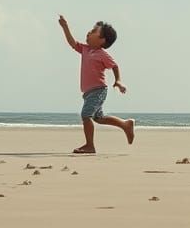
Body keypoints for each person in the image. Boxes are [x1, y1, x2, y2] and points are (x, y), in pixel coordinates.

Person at [58, 15, 135, 154]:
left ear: (102, 40)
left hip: (98, 90)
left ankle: (90, 145)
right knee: (98, 118)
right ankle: (125, 125)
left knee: (86, 115)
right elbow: (72, 43)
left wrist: (118, 81)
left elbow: (115, 66)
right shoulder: (85, 49)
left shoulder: (102, 54)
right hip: (88, 92)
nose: (89, 32)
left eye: (93, 31)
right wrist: (65, 27)